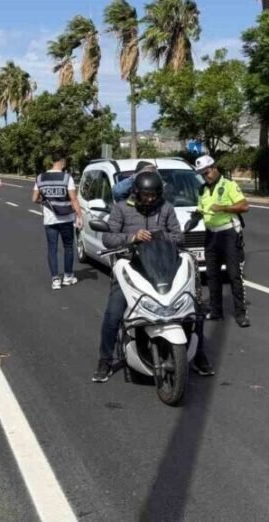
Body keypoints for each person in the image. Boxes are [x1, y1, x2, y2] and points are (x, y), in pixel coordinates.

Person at [93, 171, 214, 382]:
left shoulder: (165, 208)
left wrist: (159, 236)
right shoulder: (121, 208)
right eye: (146, 195)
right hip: (131, 268)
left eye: (154, 195)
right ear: (136, 193)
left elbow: (178, 236)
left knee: (193, 308)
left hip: (164, 267)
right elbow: (108, 238)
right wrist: (132, 237)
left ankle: (200, 355)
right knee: (113, 314)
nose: (150, 199)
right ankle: (105, 360)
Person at [194, 155, 251, 328]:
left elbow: (244, 206)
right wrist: (194, 216)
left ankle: (241, 313)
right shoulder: (202, 189)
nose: (205, 176)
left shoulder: (228, 185)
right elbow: (201, 209)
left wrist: (223, 208)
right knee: (212, 275)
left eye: (207, 172)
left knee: (234, 275)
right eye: (202, 174)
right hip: (211, 235)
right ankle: (216, 311)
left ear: (214, 168)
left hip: (228, 234)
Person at [32, 153, 84, 290]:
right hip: (66, 218)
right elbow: (73, 199)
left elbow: (34, 198)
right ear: (62, 162)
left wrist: (46, 202)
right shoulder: (67, 178)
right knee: (68, 247)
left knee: (52, 249)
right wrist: (79, 216)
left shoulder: (40, 178)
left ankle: (55, 279)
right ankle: (68, 277)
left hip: (50, 219)